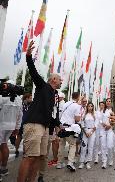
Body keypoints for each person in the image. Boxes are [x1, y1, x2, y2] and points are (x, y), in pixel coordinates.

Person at [17, 41, 62, 182]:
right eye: (60, 80)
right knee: (30, 157)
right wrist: (29, 56)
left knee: (39, 157)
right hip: (34, 124)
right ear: (53, 79)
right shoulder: (43, 86)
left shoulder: (54, 94)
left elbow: (49, 112)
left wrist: (57, 124)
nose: (62, 82)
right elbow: (33, 72)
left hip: (44, 127)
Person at [0, 83, 22, 181]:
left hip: (1, 125)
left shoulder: (2, 98)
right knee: (4, 145)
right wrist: (17, 127)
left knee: (2, 146)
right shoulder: (19, 99)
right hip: (11, 126)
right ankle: (3, 169)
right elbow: (20, 115)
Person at [56, 92, 82, 172]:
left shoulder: (66, 104)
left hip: (62, 127)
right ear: (78, 97)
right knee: (72, 144)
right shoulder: (77, 106)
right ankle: (70, 163)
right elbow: (77, 119)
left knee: (61, 145)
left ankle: (59, 163)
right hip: (70, 128)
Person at [78, 102, 98, 169]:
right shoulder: (84, 114)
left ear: (93, 107)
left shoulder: (95, 115)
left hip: (92, 132)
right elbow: (82, 124)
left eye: (91, 106)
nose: (90, 107)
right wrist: (86, 132)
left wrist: (91, 132)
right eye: (89, 106)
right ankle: (81, 162)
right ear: (87, 107)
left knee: (90, 147)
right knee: (83, 147)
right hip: (85, 132)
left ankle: (88, 162)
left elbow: (96, 125)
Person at [15, 93, 32, 158]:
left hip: (27, 123)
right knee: (19, 137)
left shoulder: (31, 105)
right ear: (26, 98)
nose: (31, 99)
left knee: (26, 138)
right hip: (21, 123)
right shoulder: (21, 104)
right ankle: (17, 150)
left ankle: (25, 152)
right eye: (30, 98)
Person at [100, 98, 114, 169]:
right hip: (103, 130)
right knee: (103, 146)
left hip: (110, 130)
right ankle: (104, 162)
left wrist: (110, 125)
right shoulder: (103, 111)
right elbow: (100, 120)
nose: (108, 102)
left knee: (110, 146)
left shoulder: (113, 111)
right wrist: (104, 124)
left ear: (111, 102)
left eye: (109, 101)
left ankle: (110, 160)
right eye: (107, 101)